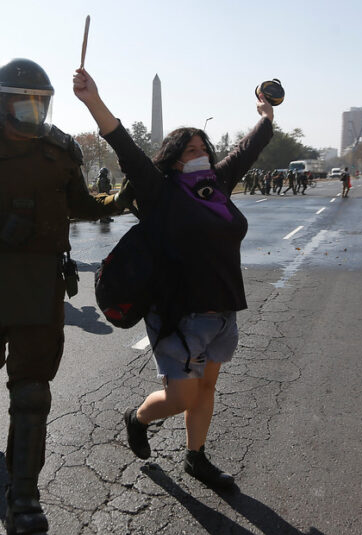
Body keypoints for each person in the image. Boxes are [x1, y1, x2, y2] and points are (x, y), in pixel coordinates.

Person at [0, 58, 125, 535]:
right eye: (22, 103)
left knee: (33, 392)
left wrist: (120, 199)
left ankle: (24, 496)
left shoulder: (59, 151)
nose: (32, 114)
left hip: (40, 284)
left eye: (39, 105)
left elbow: (82, 204)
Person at [73, 66, 273, 490]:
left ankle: (195, 457)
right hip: (178, 313)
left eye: (203, 146)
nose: (198, 152)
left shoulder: (217, 184)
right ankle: (138, 416)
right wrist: (93, 101)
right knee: (183, 396)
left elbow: (248, 148)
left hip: (223, 309)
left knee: (206, 390)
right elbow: (121, 142)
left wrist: (266, 115)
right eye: (189, 149)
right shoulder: (159, 191)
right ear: (172, 157)